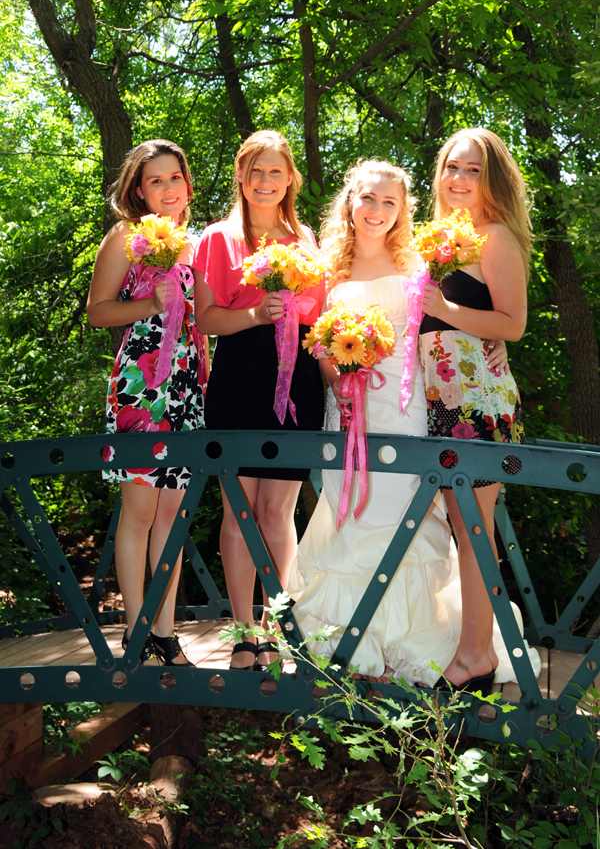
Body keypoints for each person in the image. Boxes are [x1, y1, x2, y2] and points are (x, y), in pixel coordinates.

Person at [288, 159, 462, 686]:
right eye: (368, 198)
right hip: (349, 405)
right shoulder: (327, 269)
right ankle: (354, 643)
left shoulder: (416, 264)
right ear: (350, 201)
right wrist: (338, 380)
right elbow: (318, 341)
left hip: (404, 405)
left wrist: (495, 344)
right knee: (352, 512)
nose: (377, 210)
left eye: (390, 202)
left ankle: (404, 642)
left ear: (402, 210)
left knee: (405, 510)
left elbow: (446, 327)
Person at [192, 130, 325, 672]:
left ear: (291, 178)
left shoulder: (305, 238)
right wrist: (255, 313)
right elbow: (205, 319)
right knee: (239, 510)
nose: (265, 181)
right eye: (255, 171)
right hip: (240, 376)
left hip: (297, 379)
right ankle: (244, 632)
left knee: (277, 511)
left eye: (275, 171)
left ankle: (275, 629)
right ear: (241, 178)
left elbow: (321, 313)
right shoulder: (216, 238)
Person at [420, 127, 533, 691]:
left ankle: (475, 656)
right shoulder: (439, 238)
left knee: (473, 527)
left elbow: (514, 324)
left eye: (472, 169)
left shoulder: (496, 237)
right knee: (461, 525)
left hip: (477, 399)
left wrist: (446, 307)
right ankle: (476, 650)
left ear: (491, 179)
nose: (459, 179)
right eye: (451, 167)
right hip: (438, 396)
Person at [87, 139, 207, 666]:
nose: (167, 188)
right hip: (141, 383)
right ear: (139, 190)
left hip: (186, 385)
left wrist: (207, 378)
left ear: (187, 184)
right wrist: (147, 304)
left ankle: (165, 630)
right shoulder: (126, 237)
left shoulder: (195, 244)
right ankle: (136, 631)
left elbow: (203, 321)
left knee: (173, 515)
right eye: (155, 180)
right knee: (139, 511)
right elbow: (97, 311)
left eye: (174, 177)